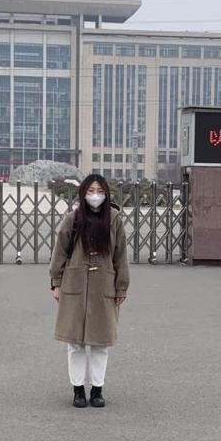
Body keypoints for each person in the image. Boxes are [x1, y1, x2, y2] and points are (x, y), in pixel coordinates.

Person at [48, 174, 129, 408]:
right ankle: (78, 390)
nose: (95, 196)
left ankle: (97, 389)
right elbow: (59, 252)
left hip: (104, 286)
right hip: (74, 286)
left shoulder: (114, 219)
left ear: (106, 194)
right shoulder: (72, 219)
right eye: (91, 191)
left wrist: (121, 286)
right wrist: (56, 283)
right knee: (75, 343)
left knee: (100, 343)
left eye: (100, 191)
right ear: (83, 193)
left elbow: (121, 255)